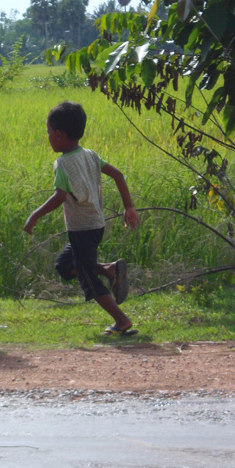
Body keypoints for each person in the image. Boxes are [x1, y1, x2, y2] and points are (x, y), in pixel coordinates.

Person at [23, 101, 141, 336]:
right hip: (96, 225)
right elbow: (118, 175)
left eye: (48, 133)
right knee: (65, 265)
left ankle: (122, 320)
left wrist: (34, 216)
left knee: (87, 279)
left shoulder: (63, 164)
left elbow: (59, 197)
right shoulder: (91, 155)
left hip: (81, 230)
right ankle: (109, 270)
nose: (47, 138)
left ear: (59, 135)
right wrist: (129, 206)